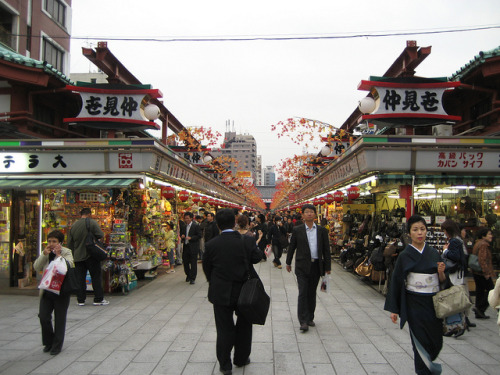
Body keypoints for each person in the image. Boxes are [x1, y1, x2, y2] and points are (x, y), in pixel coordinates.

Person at [202, 208, 263, 375]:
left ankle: (225, 364)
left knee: (224, 328)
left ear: (217, 224)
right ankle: (241, 358)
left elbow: (207, 269)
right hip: (244, 291)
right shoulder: (247, 241)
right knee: (244, 325)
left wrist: (215, 282)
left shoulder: (211, 245)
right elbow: (257, 258)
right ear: (234, 221)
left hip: (221, 292)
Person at [384, 215, 447, 375]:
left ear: (427, 232)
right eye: (415, 230)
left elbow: (443, 281)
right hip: (414, 304)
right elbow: (397, 282)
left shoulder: (433, 253)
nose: (419, 233)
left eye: (422, 229)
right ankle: (423, 371)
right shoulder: (405, 256)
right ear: (409, 233)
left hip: (433, 304)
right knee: (419, 341)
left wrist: (441, 273)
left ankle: (429, 365)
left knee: (436, 341)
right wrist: (394, 309)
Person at [286, 204, 331, 332]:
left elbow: (326, 250)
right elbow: (292, 247)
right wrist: (288, 262)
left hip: (316, 265)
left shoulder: (322, 231)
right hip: (302, 266)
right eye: (307, 212)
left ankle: (310, 317)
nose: (309, 214)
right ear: (303, 215)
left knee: (311, 292)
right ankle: (303, 321)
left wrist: (328, 267)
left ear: (315, 215)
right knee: (302, 292)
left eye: (311, 212)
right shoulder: (297, 230)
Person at [34, 230, 74, 355]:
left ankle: (57, 345)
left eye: (54, 241)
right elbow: (36, 267)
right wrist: (44, 255)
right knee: (43, 316)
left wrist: (59, 256)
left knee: (60, 318)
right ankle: (48, 341)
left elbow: (70, 265)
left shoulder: (66, 252)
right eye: (49, 241)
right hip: (47, 290)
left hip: (61, 291)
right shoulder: (45, 252)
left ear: (60, 243)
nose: (51, 244)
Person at [67, 207, 108, 306]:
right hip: (91, 255)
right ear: (89, 214)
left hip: (77, 256)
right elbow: (100, 234)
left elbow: (70, 243)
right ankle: (98, 299)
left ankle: (80, 300)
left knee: (80, 279)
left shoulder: (74, 225)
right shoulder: (91, 222)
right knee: (96, 277)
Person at [440, 219, 470, 337]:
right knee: (454, 299)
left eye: (444, 231)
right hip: (458, 274)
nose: (444, 233)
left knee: (455, 299)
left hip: (455, 274)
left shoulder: (454, 241)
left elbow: (455, 256)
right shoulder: (458, 240)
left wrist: (445, 251)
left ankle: (461, 325)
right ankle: (453, 326)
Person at [471, 227, 495, 319]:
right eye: (489, 234)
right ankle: (480, 308)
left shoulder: (478, 243)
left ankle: (479, 311)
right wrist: (486, 272)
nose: (491, 236)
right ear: (483, 235)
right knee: (491, 291)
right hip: (481, 272)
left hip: (476, 271)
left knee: (480, 291)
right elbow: (482, 260)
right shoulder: (483, 245)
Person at [181, 211, 202, 284]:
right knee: (185, 262)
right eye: (185, 218)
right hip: (186, 246)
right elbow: (182, 235)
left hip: (193, 246)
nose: (186, 220)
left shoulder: (195, 226)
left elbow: (199, 235)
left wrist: (191, 238)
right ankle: (188, 274)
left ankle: (193, 278)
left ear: (191, 218)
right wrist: (182, 237)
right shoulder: (184, 226)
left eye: (187, 218)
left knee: (193, 263)